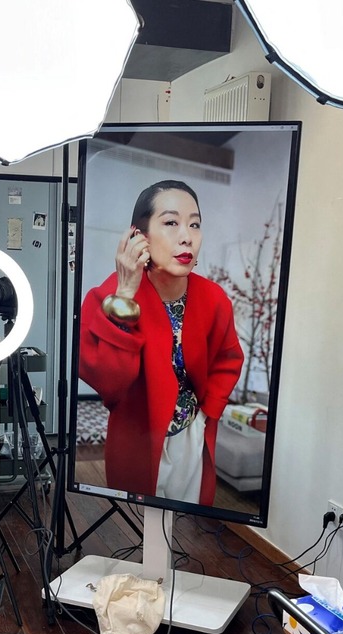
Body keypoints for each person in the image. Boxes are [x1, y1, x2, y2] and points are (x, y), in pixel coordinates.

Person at [79, 180, 243, 505]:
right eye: (171, 222)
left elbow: (228, 360)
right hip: (138, 439)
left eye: (194, 224)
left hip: (192, 433)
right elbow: (109, 383)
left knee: (186, 520)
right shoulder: (106, 297)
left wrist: (207, 413)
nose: (187, 236)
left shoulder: (214, 299)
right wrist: (125, 295)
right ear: (138, 236)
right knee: (137, 522)